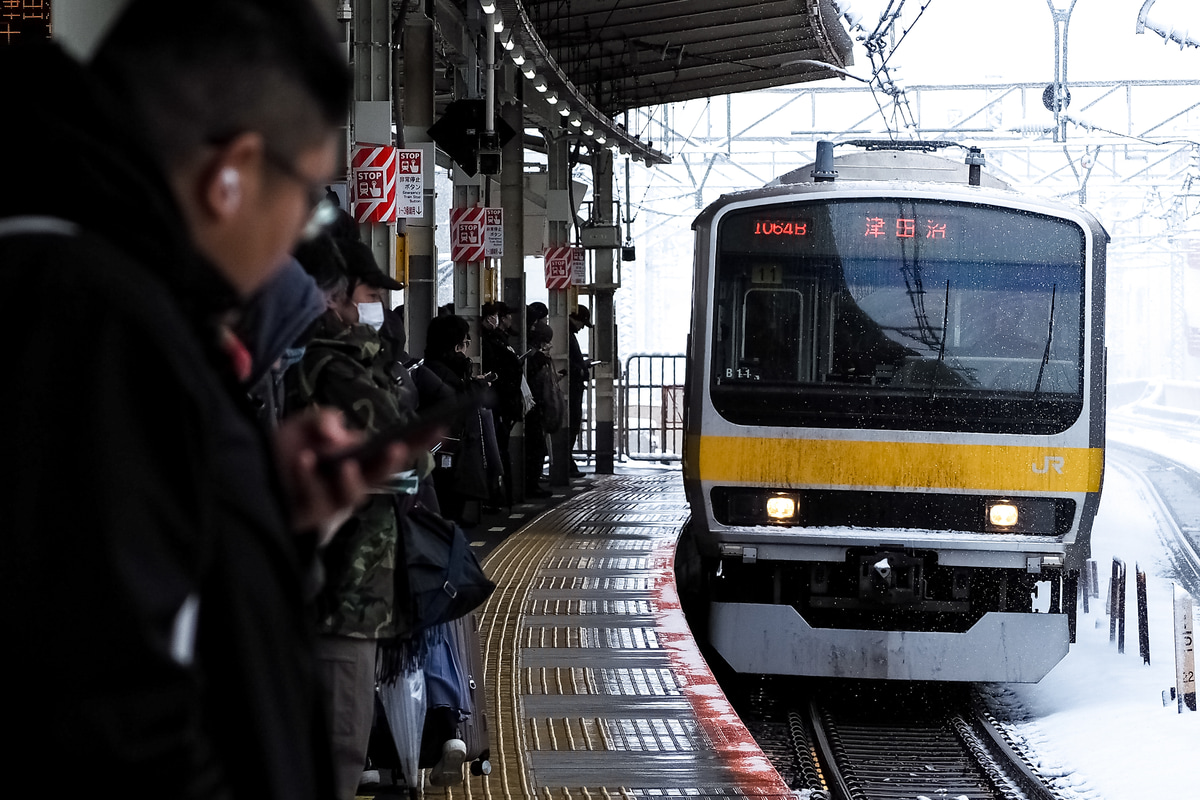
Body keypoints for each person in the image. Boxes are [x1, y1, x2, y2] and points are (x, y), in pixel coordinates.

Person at [0, 4, 417, 799]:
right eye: (310, 198)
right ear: (232, 173)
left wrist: (257, 510)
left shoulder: (109, 297)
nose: (301, 233)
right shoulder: (99, 327)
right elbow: (117, 719)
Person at [480, 301, 524, 506]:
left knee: (498, 448)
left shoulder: (496, 340)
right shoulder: (493, 343)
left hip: (501, 403)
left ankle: (500, 495)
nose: (496, 320)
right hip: (499, 403)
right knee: (497, 449)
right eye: (494, 316)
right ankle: (498, 495)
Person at [524, 321, 561, 497]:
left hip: (533, 405)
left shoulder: (530, 356)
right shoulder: (536, 359)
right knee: (536, 447)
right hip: (535, 406)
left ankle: (531, 482)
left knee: (536, 446)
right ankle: (531, 484)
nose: (549, 345)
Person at [567, 304, 595, 476]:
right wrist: (581, 369)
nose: (582, 328)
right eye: (582, 323)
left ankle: (567, 463)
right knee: (571, 424)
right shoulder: (566, 335)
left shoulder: (567, 334)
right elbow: (569, 363)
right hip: (572, 389)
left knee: (572, 425)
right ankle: (566, 464)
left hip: (573, 387)